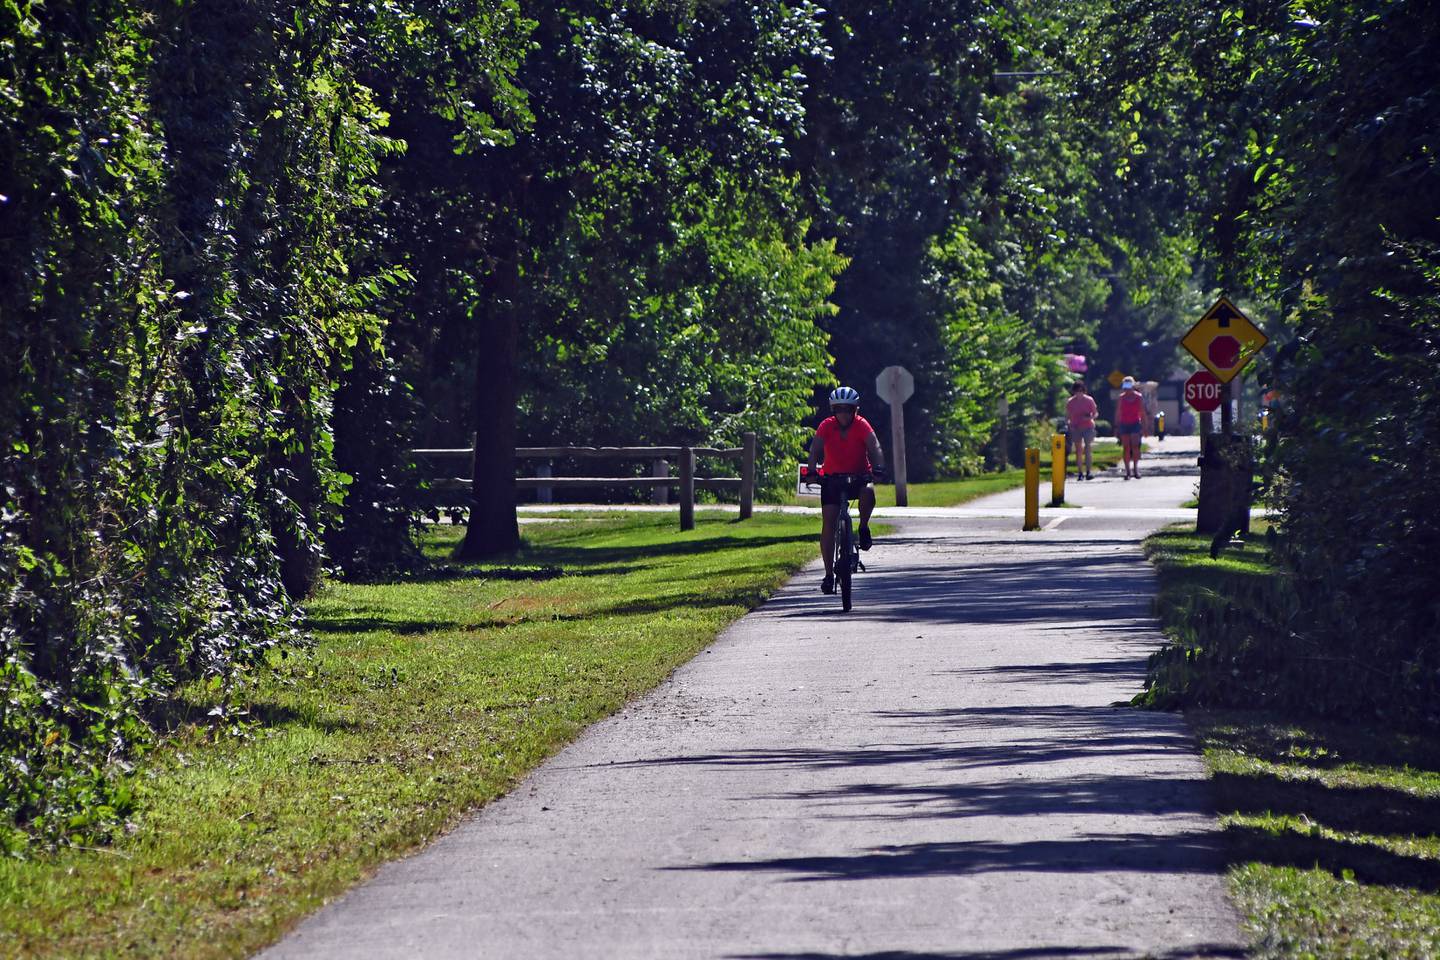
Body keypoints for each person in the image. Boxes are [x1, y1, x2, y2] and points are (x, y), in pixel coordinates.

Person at [805, 386, 886, 595]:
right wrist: (812, 471)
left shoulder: (862, 425)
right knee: (829, 523)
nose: (843, 413)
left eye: (848, 409)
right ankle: (829, 574)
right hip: (832, 479)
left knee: (868, 492)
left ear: (855, 410)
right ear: (833, 410)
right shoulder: (826, 426)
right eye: (839, 409)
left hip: (859, 476)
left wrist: (878, 468)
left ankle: (864, 527)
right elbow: (815, 450)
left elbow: (874, 446)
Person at [1115, 376, 1148, 478]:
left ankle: (1135, 469)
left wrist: (1145, 427)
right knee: (1126, 447)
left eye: (1129, 384)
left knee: (1135, 446)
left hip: (1135, 423)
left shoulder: (1138, 397)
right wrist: (1116, 426)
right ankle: (1128, 471)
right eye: (1125, 384)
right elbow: (1118, 412)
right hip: (1124, 424)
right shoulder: (1121, 398)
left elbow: (1142, 412)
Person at [1065, 381, 1098, 480]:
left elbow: (1095, 413)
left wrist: (1089, 417)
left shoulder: (1089, 400)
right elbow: (1067, 416)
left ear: (1084, 391)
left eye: (1081, 391)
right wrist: (1069, 424)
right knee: (1078, 450)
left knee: (1088, 448)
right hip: (1076, 427)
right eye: (1076, 391)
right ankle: (1080, 472)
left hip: (1088, 426)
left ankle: (1088, 471)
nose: (1079, 393)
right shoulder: (1070, 402)